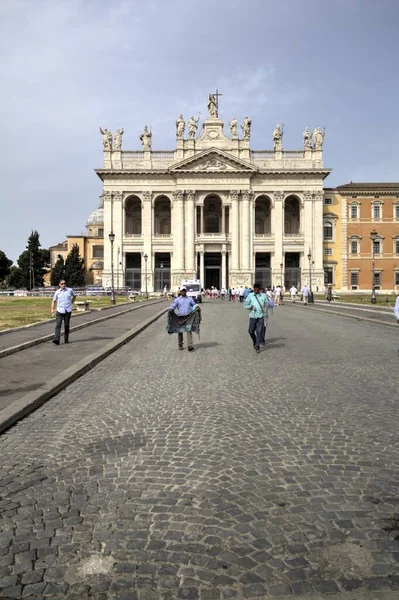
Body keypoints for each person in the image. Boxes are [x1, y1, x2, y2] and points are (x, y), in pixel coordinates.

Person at [168, 286, 198, 351]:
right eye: (182, 291)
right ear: (180, 292)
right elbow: (173, 306)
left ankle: (190, 345)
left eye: (184, 290)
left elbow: (194, 305)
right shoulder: (177, 300)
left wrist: (196, 307)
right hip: (180, 317)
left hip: (188, 317)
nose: (183, 292)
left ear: (186, 291)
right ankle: (180, 344)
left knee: (189, 330)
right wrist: (170, 309)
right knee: (180, 331)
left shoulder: (190, 299)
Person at [244, 283, 268, 353]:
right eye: (255, 290)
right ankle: (255, 342)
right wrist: (250, 306)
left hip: (260, 316)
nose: (256, 291)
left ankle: (257, 346)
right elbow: (245, 304)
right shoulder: (250, 295)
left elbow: (266, 305)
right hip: (252, 316)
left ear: (260, 290)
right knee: (250, 331)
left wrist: (266, 313)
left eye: (257, 290)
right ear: (253, 289)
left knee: (259, 331)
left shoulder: (264, 296)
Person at [51, 280, 77, 345]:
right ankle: (57, 339)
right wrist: (52, 309)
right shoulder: (57, 292)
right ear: (59, 285)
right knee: (58, 325)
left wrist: (71, 302)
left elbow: (74, 296)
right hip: (60, 310)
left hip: (67, 310)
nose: (63, 285)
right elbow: (53, 301)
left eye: (64, 283)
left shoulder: (69, 290)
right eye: (62, 284)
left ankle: (66, 339)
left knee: (66, 325)